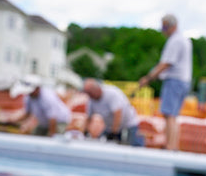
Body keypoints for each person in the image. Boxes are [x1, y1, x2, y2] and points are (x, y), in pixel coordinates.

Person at [138, 14, 192, 150]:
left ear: (172, 26)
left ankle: (170, 146)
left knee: (169, 115)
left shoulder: (175, 41)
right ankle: (172, 145)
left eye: (165, 27)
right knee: (173, 115)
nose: (163, 30)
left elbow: (166, 63)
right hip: (183, 80)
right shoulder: (184, 40)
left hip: (175, 80)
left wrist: (149, 77)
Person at [82, 79, 145, 146]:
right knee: (102, 144)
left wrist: (114, 132)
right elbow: (89, 118)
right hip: (110, 127)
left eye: (90, 93)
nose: (89, 95)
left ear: (96, 89)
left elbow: (117, 114)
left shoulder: (111, 94)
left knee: (132, 147)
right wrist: (85, 131)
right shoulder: (92, 100)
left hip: (128, 124)